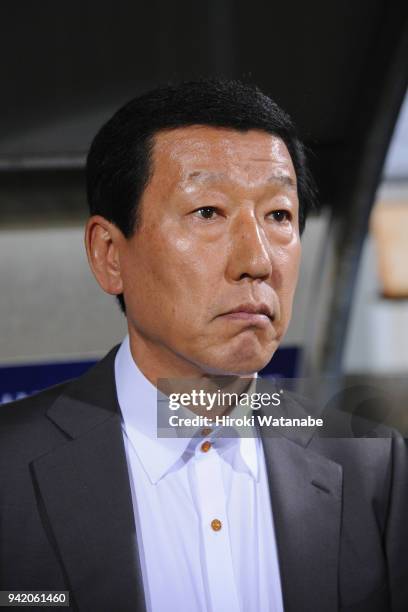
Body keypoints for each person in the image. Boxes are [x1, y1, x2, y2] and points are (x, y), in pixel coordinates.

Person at [0, 79, 407, 612]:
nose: (257, 260)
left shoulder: (373, 469)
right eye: (208, 212)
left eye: (279, 215)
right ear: (109, 255)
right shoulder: (10, 469)